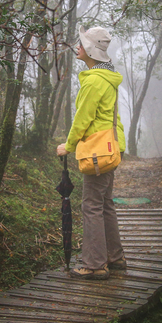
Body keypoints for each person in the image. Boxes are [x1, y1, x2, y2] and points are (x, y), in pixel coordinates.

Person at [56, 27, 127, 280]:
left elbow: (82, 119)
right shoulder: (107, 77)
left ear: (91, 51)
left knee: (91, 205)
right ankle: (114, 256)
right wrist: (119, 146)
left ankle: (95, 264)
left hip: (97, 154)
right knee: (105, 204)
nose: (78, 47)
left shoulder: (95, 81)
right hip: (110, 149)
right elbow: (113, 117)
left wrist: (69, 145)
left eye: (82, 44)